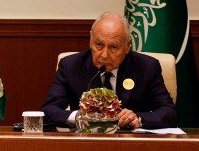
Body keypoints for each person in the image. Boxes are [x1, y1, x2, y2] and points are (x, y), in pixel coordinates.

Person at [41, 12, 177, 129]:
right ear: (90, 40)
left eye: (113, 47)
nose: (104, 55)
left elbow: (169, 112)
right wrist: (78, 116)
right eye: (98, 45)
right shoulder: (71, 65)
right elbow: (47, 111)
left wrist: (137, 119)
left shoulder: (147, 67)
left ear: (127, 45)